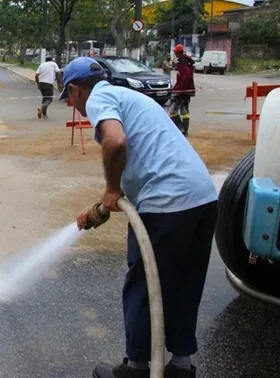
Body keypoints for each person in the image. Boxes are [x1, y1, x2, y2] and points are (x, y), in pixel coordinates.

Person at [62, 57, 218, 378]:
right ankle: (181, 365)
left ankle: (136, 368)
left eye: (69, 96)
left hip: (166, 202)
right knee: (185, 283)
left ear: (76, 90)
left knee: (144, 286)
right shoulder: (128, 96)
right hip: (202, 197)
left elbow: (115, 141)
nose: (70, 104)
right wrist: (105, 203)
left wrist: (111, 189)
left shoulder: (100, 97)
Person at [168, 44, 196, 136]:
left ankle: (180, 128)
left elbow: (186, 76)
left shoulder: (183, 62)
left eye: (175, 52)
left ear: (177, 52)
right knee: (184, 110)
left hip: (182, 91)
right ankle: (185, 131)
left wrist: (177, 89)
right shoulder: (187, 61)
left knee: (172, 110)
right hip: (188, 90)